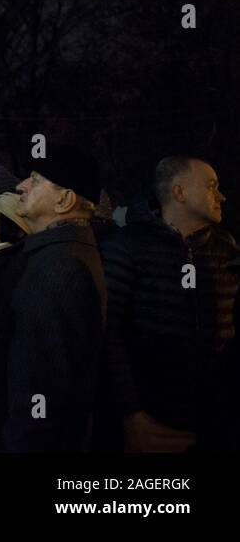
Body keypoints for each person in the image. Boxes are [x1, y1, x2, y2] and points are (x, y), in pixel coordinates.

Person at [101, 156, 237, 451]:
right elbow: (108, 334)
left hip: (214, 420)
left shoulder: (227, 249)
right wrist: (130, 413)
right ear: (179, 193)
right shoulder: (127, 247)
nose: (221, 196)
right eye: (212, 187)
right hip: (151, 417)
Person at [0, 144, 107, 451]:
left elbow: (39, 385)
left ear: (64, 200)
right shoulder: (63, 255)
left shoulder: (56, 268)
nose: (22, 186)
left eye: (35, 180)